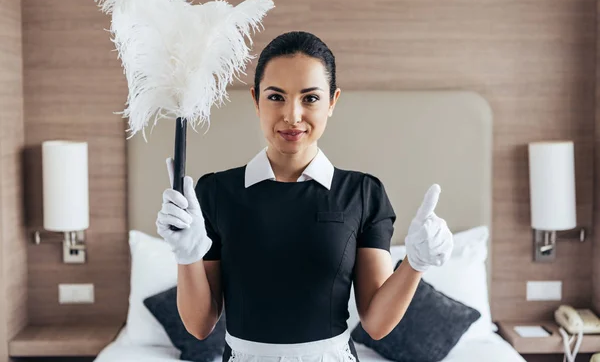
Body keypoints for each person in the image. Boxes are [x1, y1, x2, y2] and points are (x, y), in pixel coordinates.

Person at [156, 31, 454, 362]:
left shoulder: (362, 193)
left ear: (332, 101)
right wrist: (186, 257)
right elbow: (199, 326)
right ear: (256, 100)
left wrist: (415, 264)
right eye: (275, 97)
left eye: (310, 98)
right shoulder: (215, 192)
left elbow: (376, 323)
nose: (292, 115)